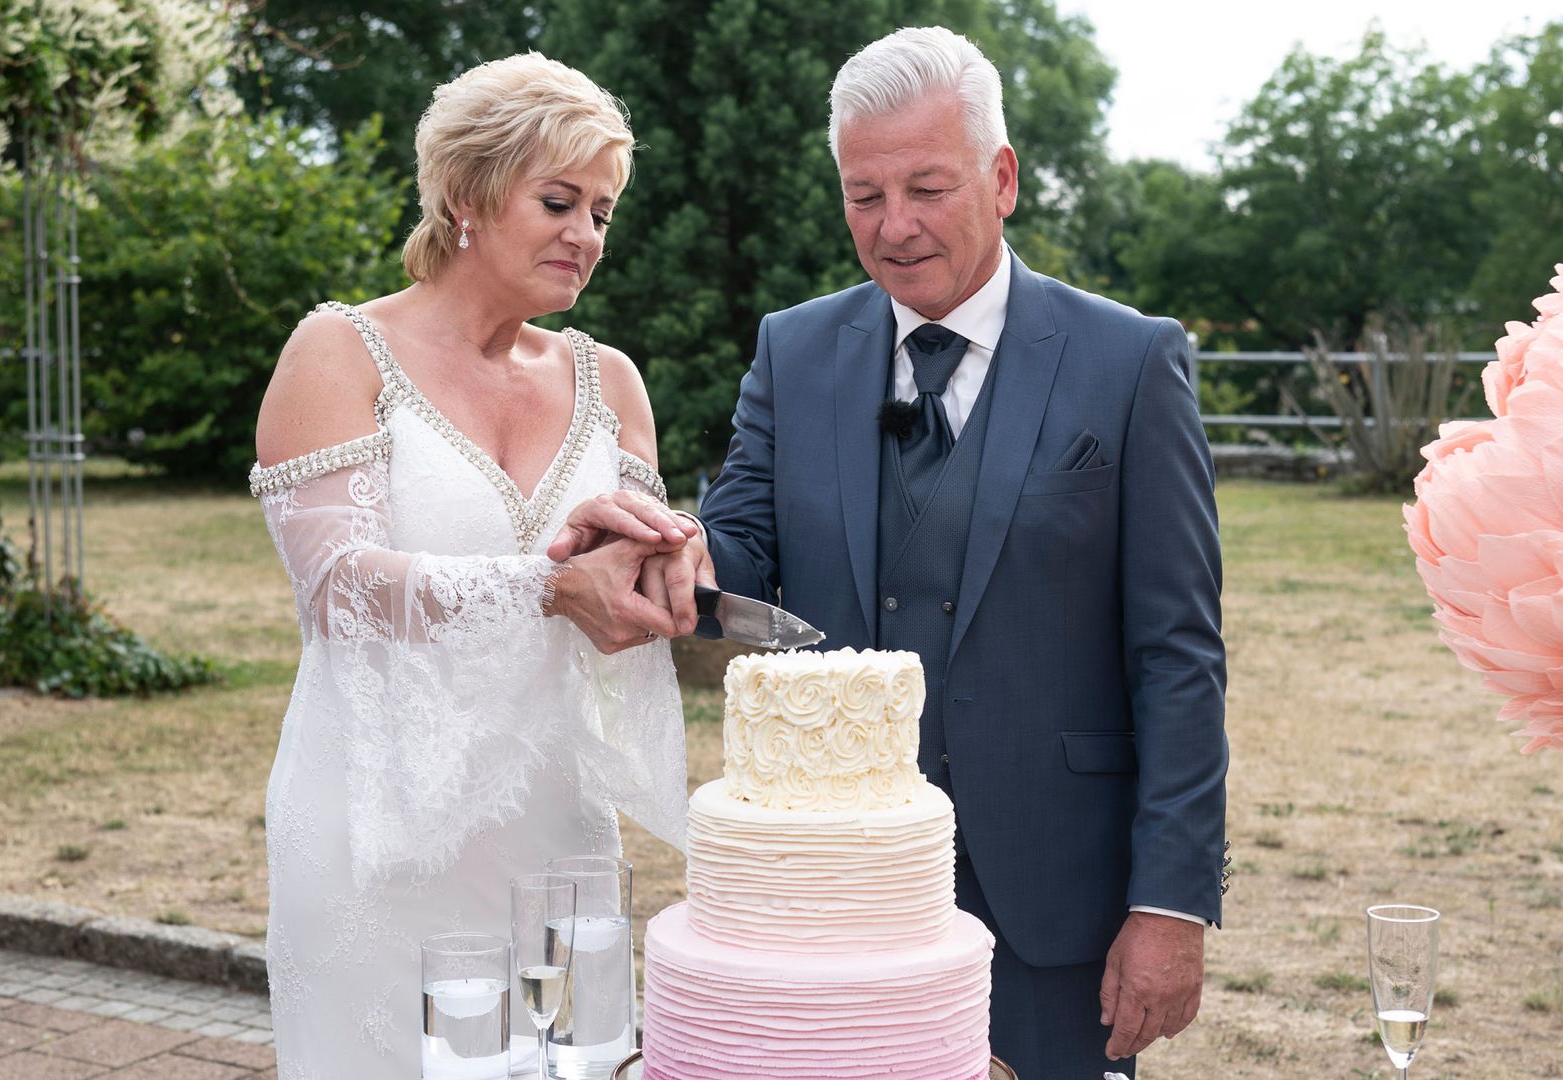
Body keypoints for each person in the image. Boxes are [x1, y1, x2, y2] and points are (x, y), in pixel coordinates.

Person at [572, 25, 1230, 1077]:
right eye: (864, 195)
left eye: (927, 188)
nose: (894, 226)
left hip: (1055, 900)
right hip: (834, 895)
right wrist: (668, 551)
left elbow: (1178, 654)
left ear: (1002, 178)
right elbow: (737, 547)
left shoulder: (1130, 359)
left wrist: (1170, 904)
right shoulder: (793, 350)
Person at [250, 53, 693, 1077]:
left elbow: (624, 577)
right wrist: (547, 585)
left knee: (571, 1062)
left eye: (602, 213)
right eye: (559, 202)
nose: (586, 236)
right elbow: (337, 586)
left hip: (557, 833)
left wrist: (671, 552)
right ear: (467, 194)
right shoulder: (339, 350)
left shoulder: (611, 381)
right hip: (374, 830)